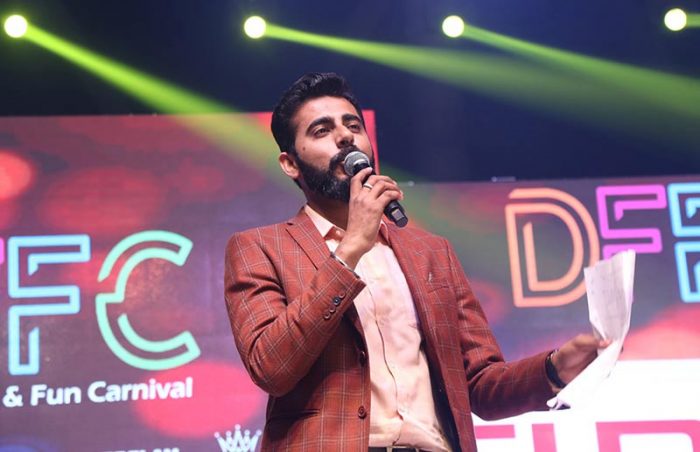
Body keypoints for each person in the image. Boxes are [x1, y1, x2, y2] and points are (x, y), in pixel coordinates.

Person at [224, 72, 607, 451]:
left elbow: (478, 383)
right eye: (322, 130)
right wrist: (350, 249)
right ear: (290, 163)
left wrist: (555, 368)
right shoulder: (259, 247)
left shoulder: (431, 252)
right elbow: (271, 367)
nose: (345, 137)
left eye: (353, 126)